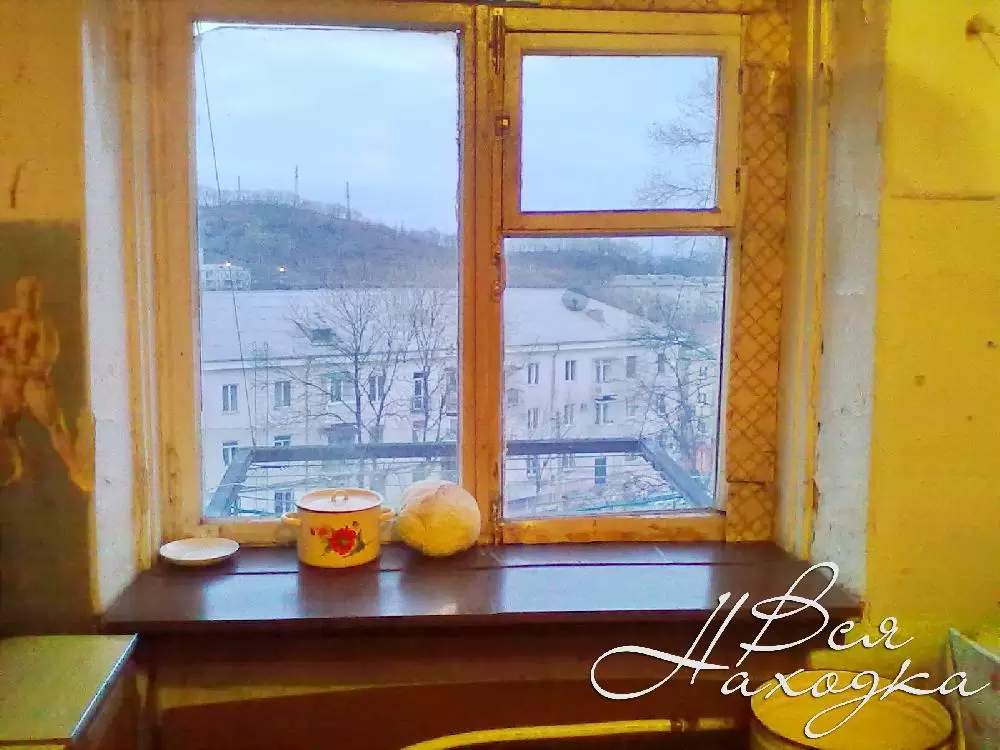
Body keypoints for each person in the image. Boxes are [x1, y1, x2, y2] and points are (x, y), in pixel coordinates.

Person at [0, 277, 93, 491]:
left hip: (30, 383)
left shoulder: (45, 328)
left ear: (38, 297)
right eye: (23, 294)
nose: (27, 299)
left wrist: (18, 368)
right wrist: (8, 366)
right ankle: (12, 461)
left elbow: (42, 363)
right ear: (17, 296)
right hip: (8, 384)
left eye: (32, 294)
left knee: (52, 420)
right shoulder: (5, 320)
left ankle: (77, 469)